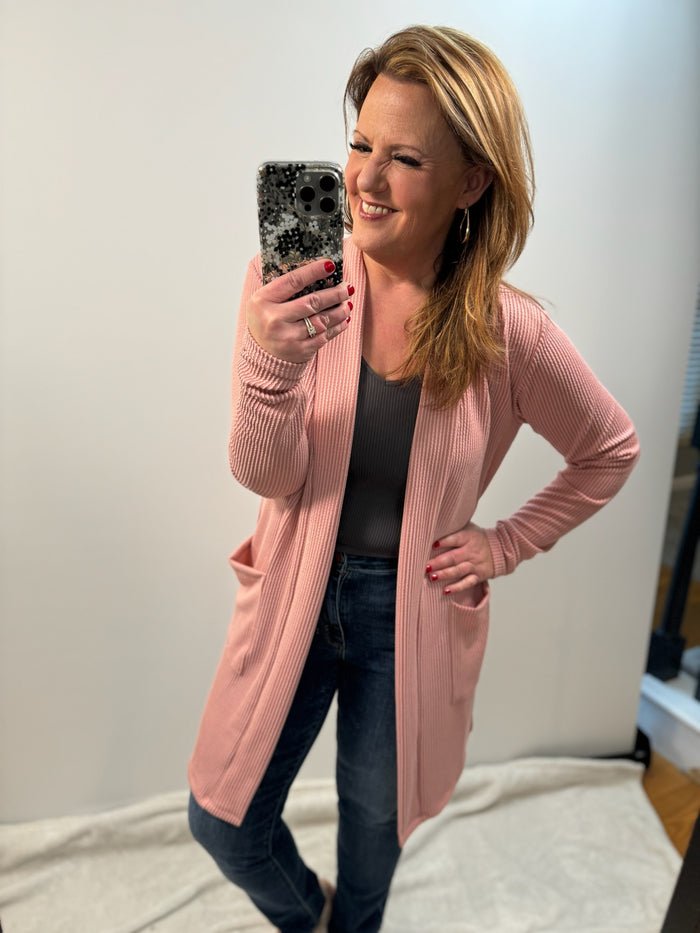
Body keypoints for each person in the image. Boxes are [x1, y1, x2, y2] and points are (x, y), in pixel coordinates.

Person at [187, 24, 640, 933]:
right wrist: (269, 361)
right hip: (294, 592)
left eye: (404, 158)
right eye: (360, 144)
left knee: (373, 828)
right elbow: (265, 473)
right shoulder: (293, 286)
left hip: (412, 614)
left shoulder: (510, 331)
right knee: (223, 820)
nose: (364, 178)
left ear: (471, 182)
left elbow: (610, 449)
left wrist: (504, 543)